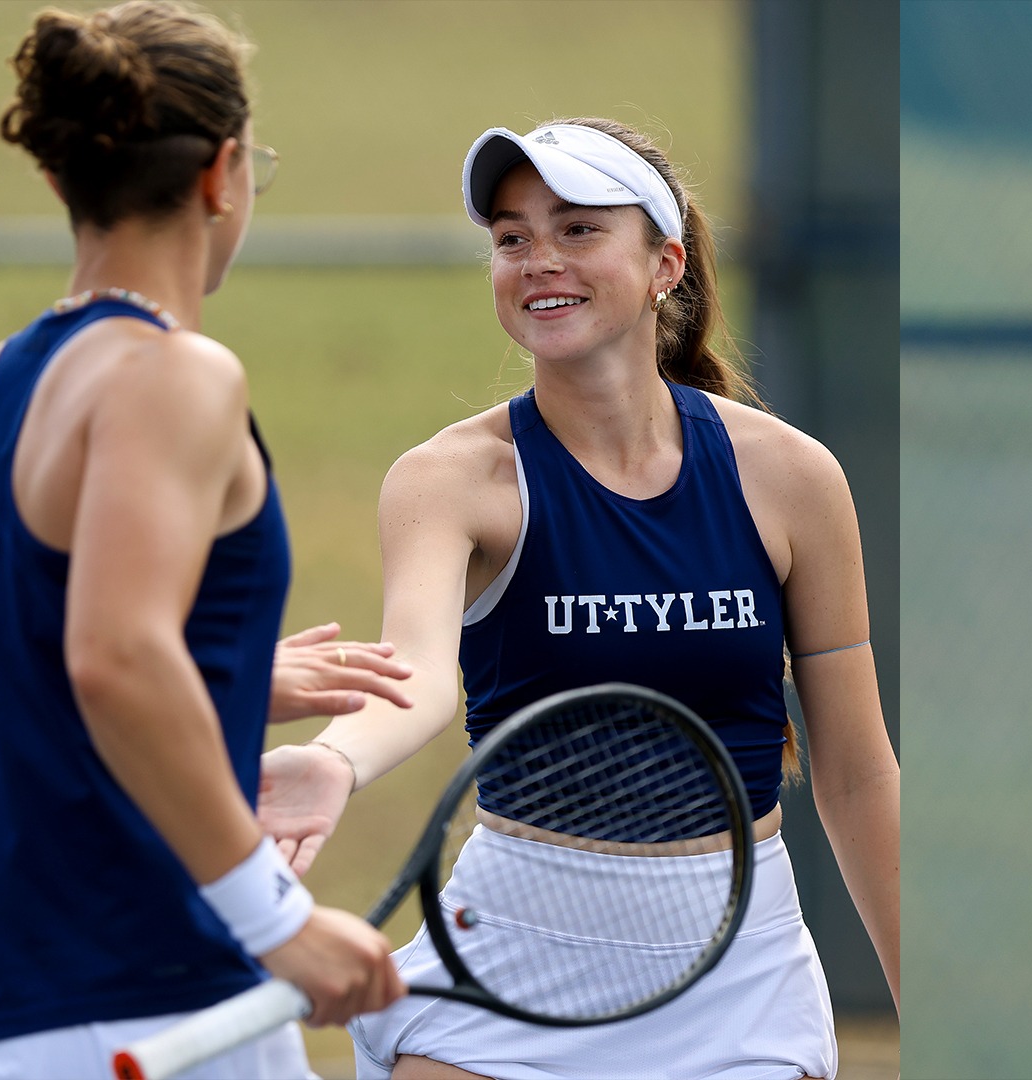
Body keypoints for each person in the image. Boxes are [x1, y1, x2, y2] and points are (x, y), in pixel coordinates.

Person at [257, 117, 900, 1080]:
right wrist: (332, 763)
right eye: (511, 237)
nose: (538, 261)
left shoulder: (792, 476)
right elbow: (419, 673)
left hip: (737, 975)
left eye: (578, 229)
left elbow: (855, 774)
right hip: (509, 958)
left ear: (664, 265)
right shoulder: (448, 479)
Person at [0, 4, 407, 1077]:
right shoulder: (177, 375)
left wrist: (213, 687)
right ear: (223, 173)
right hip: (159, 1004)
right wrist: (276, 918)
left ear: (60, 176)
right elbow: (115, 658)